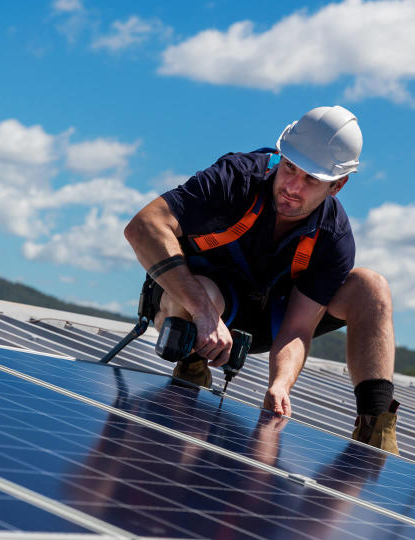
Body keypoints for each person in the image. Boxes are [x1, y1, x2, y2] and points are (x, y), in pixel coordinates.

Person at [123, 105, 399, 454]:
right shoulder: (236, 178)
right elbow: (143, 226)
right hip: (199, 305)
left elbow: (298, 329)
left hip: (269, 320)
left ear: (338, 185)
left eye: (311, 179)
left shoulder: (333, 237)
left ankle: (376, 434)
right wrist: (205, 312)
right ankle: (192, 366)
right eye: (289, 168)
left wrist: (281, 385)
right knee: (205, 293)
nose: (292, 187)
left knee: (371, 287)